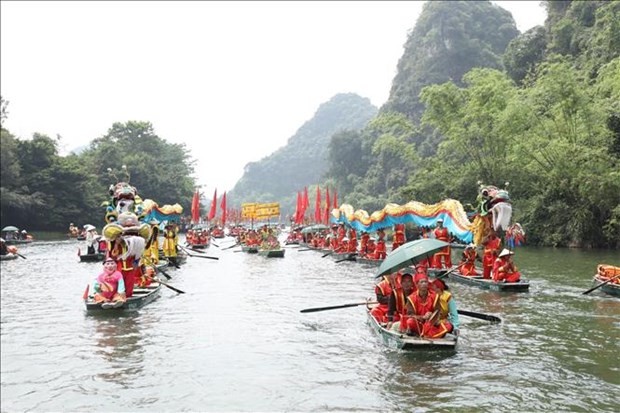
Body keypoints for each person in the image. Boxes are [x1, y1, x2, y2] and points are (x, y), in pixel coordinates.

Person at [404, 273, 450, 338]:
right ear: (417, 285)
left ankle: (427, 334)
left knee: (448, 325)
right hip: (419, 325)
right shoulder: (411, 298)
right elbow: (410, 315)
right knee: (410, 321)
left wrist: (432, 316)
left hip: (431, 324)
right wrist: (423, 317)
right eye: (422, 282)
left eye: (425, 282)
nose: (424, 284)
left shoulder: (435, 296)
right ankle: (428, 334)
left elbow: (438, 312)